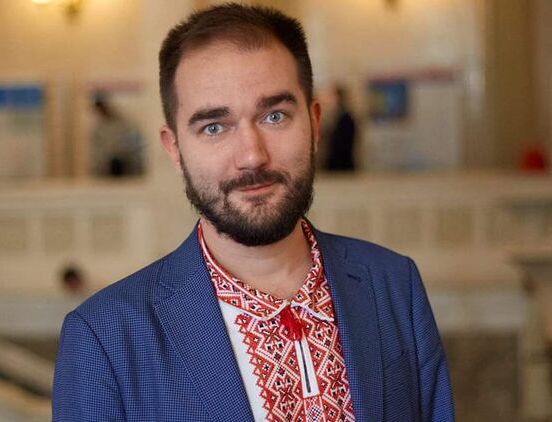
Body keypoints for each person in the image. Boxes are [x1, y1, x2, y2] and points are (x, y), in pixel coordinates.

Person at [53, 4, 454, 421]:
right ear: (175, 149)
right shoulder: (105, 338)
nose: (252, 156)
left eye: (274, 116)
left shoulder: (393, 285)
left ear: (314, 124)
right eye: (213, 127)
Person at [91, 96, 144, 177]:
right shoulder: (99, 128)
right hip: (107, 164)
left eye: (103, 108)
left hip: (124, 161)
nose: (102, 112)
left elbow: (131, 140)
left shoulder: (123, 122)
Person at [324, 84, 357, 171]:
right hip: (338, 162)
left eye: (333, 97)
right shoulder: (337, 116)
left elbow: (343, 143)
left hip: (342, 163)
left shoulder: (346, 118)